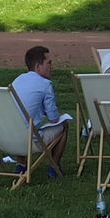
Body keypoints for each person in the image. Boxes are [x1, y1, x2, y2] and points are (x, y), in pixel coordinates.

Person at [9, 45, 69, 174]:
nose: (51, 66)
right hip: (29, 141)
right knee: (64, 125)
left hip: (8, 137)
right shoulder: (45, 84)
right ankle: (55, 167)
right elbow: (53, 119)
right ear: (38, 66)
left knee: (21, 122)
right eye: (49, 63)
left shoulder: (17, 80)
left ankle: (21, 164)